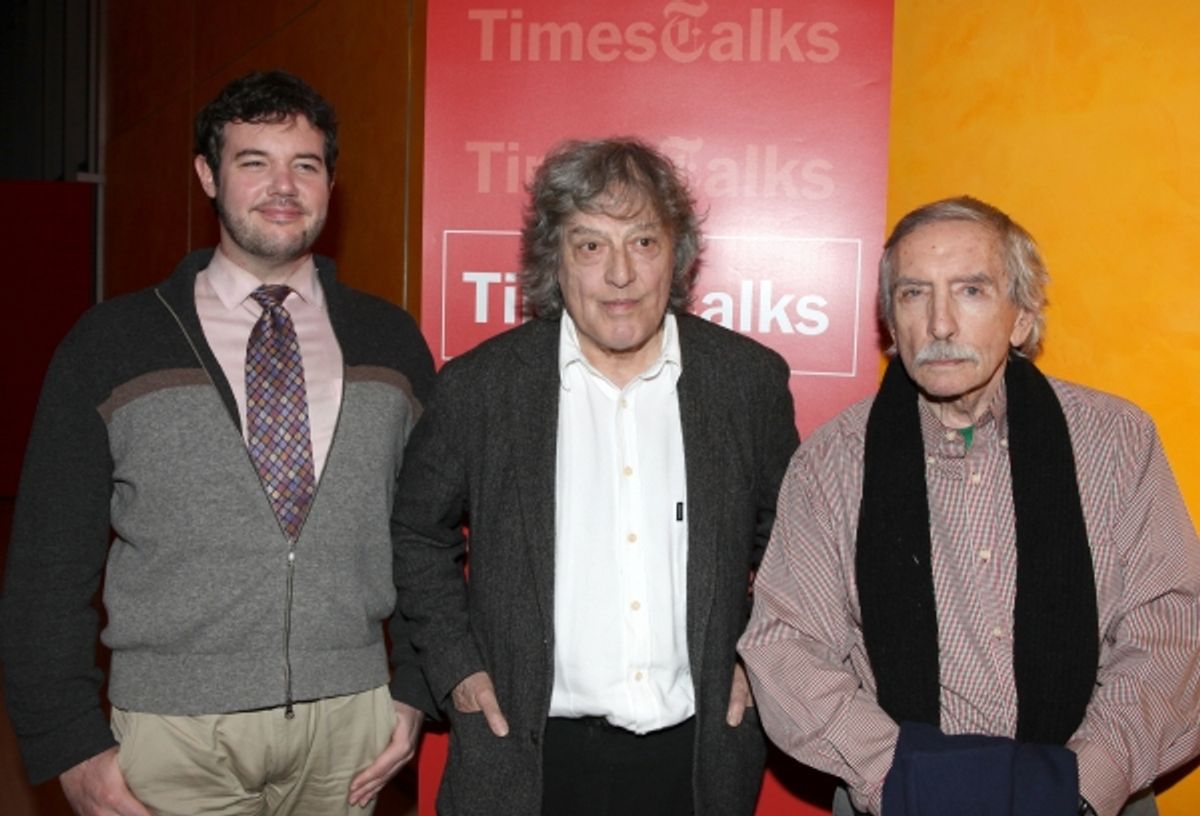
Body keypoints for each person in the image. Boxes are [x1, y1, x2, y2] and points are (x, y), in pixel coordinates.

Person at [1, 70, 435, 815]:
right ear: (207, 175)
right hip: (173, 730)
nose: (283, 186)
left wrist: (417, 687)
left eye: (305, 164)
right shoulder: (112, 342)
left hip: (349, 731)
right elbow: (48, 561)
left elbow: (427, 532)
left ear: (331, 182)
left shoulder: (389, 340)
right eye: (253, 161)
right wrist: (67, 741)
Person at [739, 195, 1200, 816]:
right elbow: (787, 645)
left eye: (971, 291)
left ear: (1021, 318)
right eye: (914, 294)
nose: (940, 324)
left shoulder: (1116, 440)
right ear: (891, 322)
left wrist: (1081, 783)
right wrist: (906, 778)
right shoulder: (832, 461)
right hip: (895, 798)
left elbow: (1170, 629)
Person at [392, 137, 799, 815]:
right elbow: (415, 531)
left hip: (695, 759)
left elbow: (796, 542)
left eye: (643, 242)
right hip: (526, 755)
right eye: (590, 245)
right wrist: (457, 666)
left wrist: (762, 655)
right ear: (555, 260)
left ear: (677, 255)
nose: (620, 274)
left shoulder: (746, 382)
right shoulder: (482, 387)